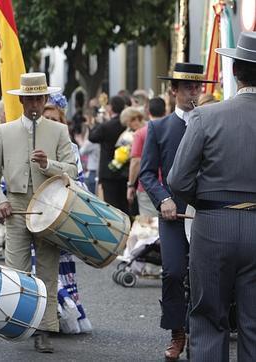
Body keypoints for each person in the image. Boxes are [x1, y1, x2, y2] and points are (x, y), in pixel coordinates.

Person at [168, 31, 256, 362]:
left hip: (213, 223)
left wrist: (206, 199)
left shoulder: (207, 116)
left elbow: (178, 179)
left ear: (234, 71)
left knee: (207, 319)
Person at [0, 73, 77, 353]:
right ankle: (21, 323)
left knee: (48, 270)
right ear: (21, 100)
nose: (34, 104)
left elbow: (71, 169)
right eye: (30, 99)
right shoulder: (4, 130)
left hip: (49, 206)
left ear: (45, 99)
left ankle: (46, 328)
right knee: (16, 271)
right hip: (15, 207)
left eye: (39, 98)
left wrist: (49, 164)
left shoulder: (59, 130)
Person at [138, 62, 214, 361]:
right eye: (187, 87)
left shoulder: (211, 122)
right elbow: (146, 173)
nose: (193, 92)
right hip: (172, 213)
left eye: (197, 87)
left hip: (205, 213)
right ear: (174, 91)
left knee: (204, 275)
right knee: (172, 272)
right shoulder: (159, 127)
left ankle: (201, 332)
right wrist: (163, 200)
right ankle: (177, 332)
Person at [42, 95, 93, 335]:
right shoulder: (32, 143)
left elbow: (80, 184)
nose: (50, 123)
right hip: (37, 212)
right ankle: (45, 316)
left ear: (62, 123)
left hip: (61, 212)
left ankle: (66, 312)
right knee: (36, 263)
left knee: (62, 264)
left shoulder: (70, 148)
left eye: (55, 119)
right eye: (46, 118)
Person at [88, 95, 129, 214]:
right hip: (125, 171)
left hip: (108, 173)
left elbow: (92, 137)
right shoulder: (127, 124)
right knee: (124, 205)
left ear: (111, 108)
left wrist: (97, 123)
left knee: (111, 207)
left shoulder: (106, 126)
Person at [127, 98, 165, 218]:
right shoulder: (173, 130)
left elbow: (136, 161)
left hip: (148, 187)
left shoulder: (141, 133)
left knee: (149, 228)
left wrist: (130, 184)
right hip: (170, 186)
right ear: (165, 111)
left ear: (148, 112)